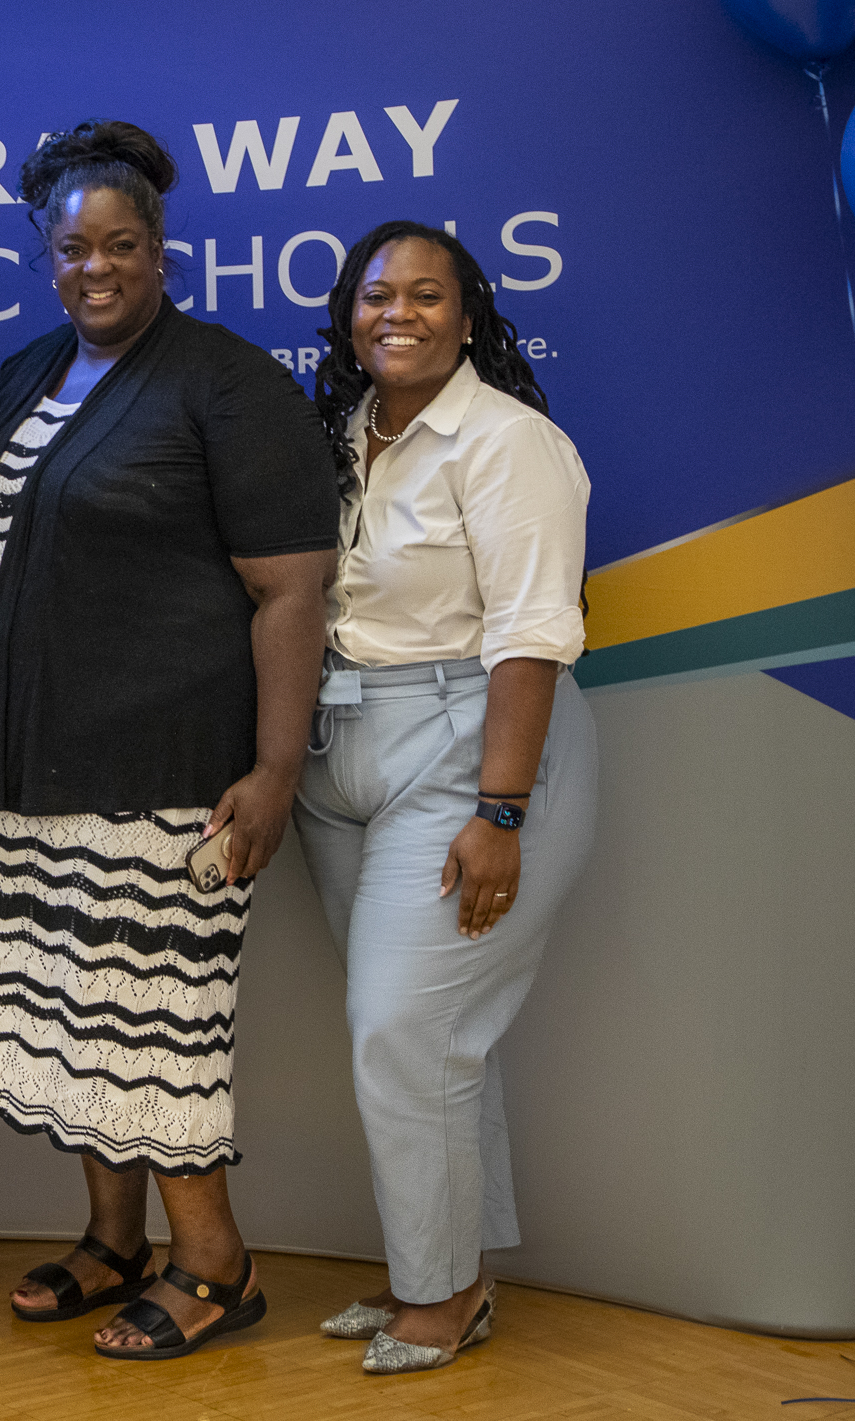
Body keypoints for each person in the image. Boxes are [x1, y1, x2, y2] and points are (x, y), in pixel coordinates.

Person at [0, 121, 338, 1361]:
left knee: (151, 1021)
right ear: (44, 254)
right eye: (71, 247)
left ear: (159, 248)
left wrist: (274, 769)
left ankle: (215, 1262)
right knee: (70, 1014)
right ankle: (115, 1241)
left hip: (157, 776)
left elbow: (290, 591)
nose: (93, 267)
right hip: (10, 768)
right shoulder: (31, 368)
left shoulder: (226, 383)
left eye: (118, 245)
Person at [294, 220, 599, 1374]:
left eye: (426, 295)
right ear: (348, 318)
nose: (398, 313)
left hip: (469, 746)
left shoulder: (508, 441)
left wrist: (499, 810)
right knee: (429, 1037)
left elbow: (532, 633)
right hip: (339, 748)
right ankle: (441, 1260)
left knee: (402, 1027)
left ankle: (442, 1291)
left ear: (467, 319)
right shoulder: (338, 437)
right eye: (376, 294)